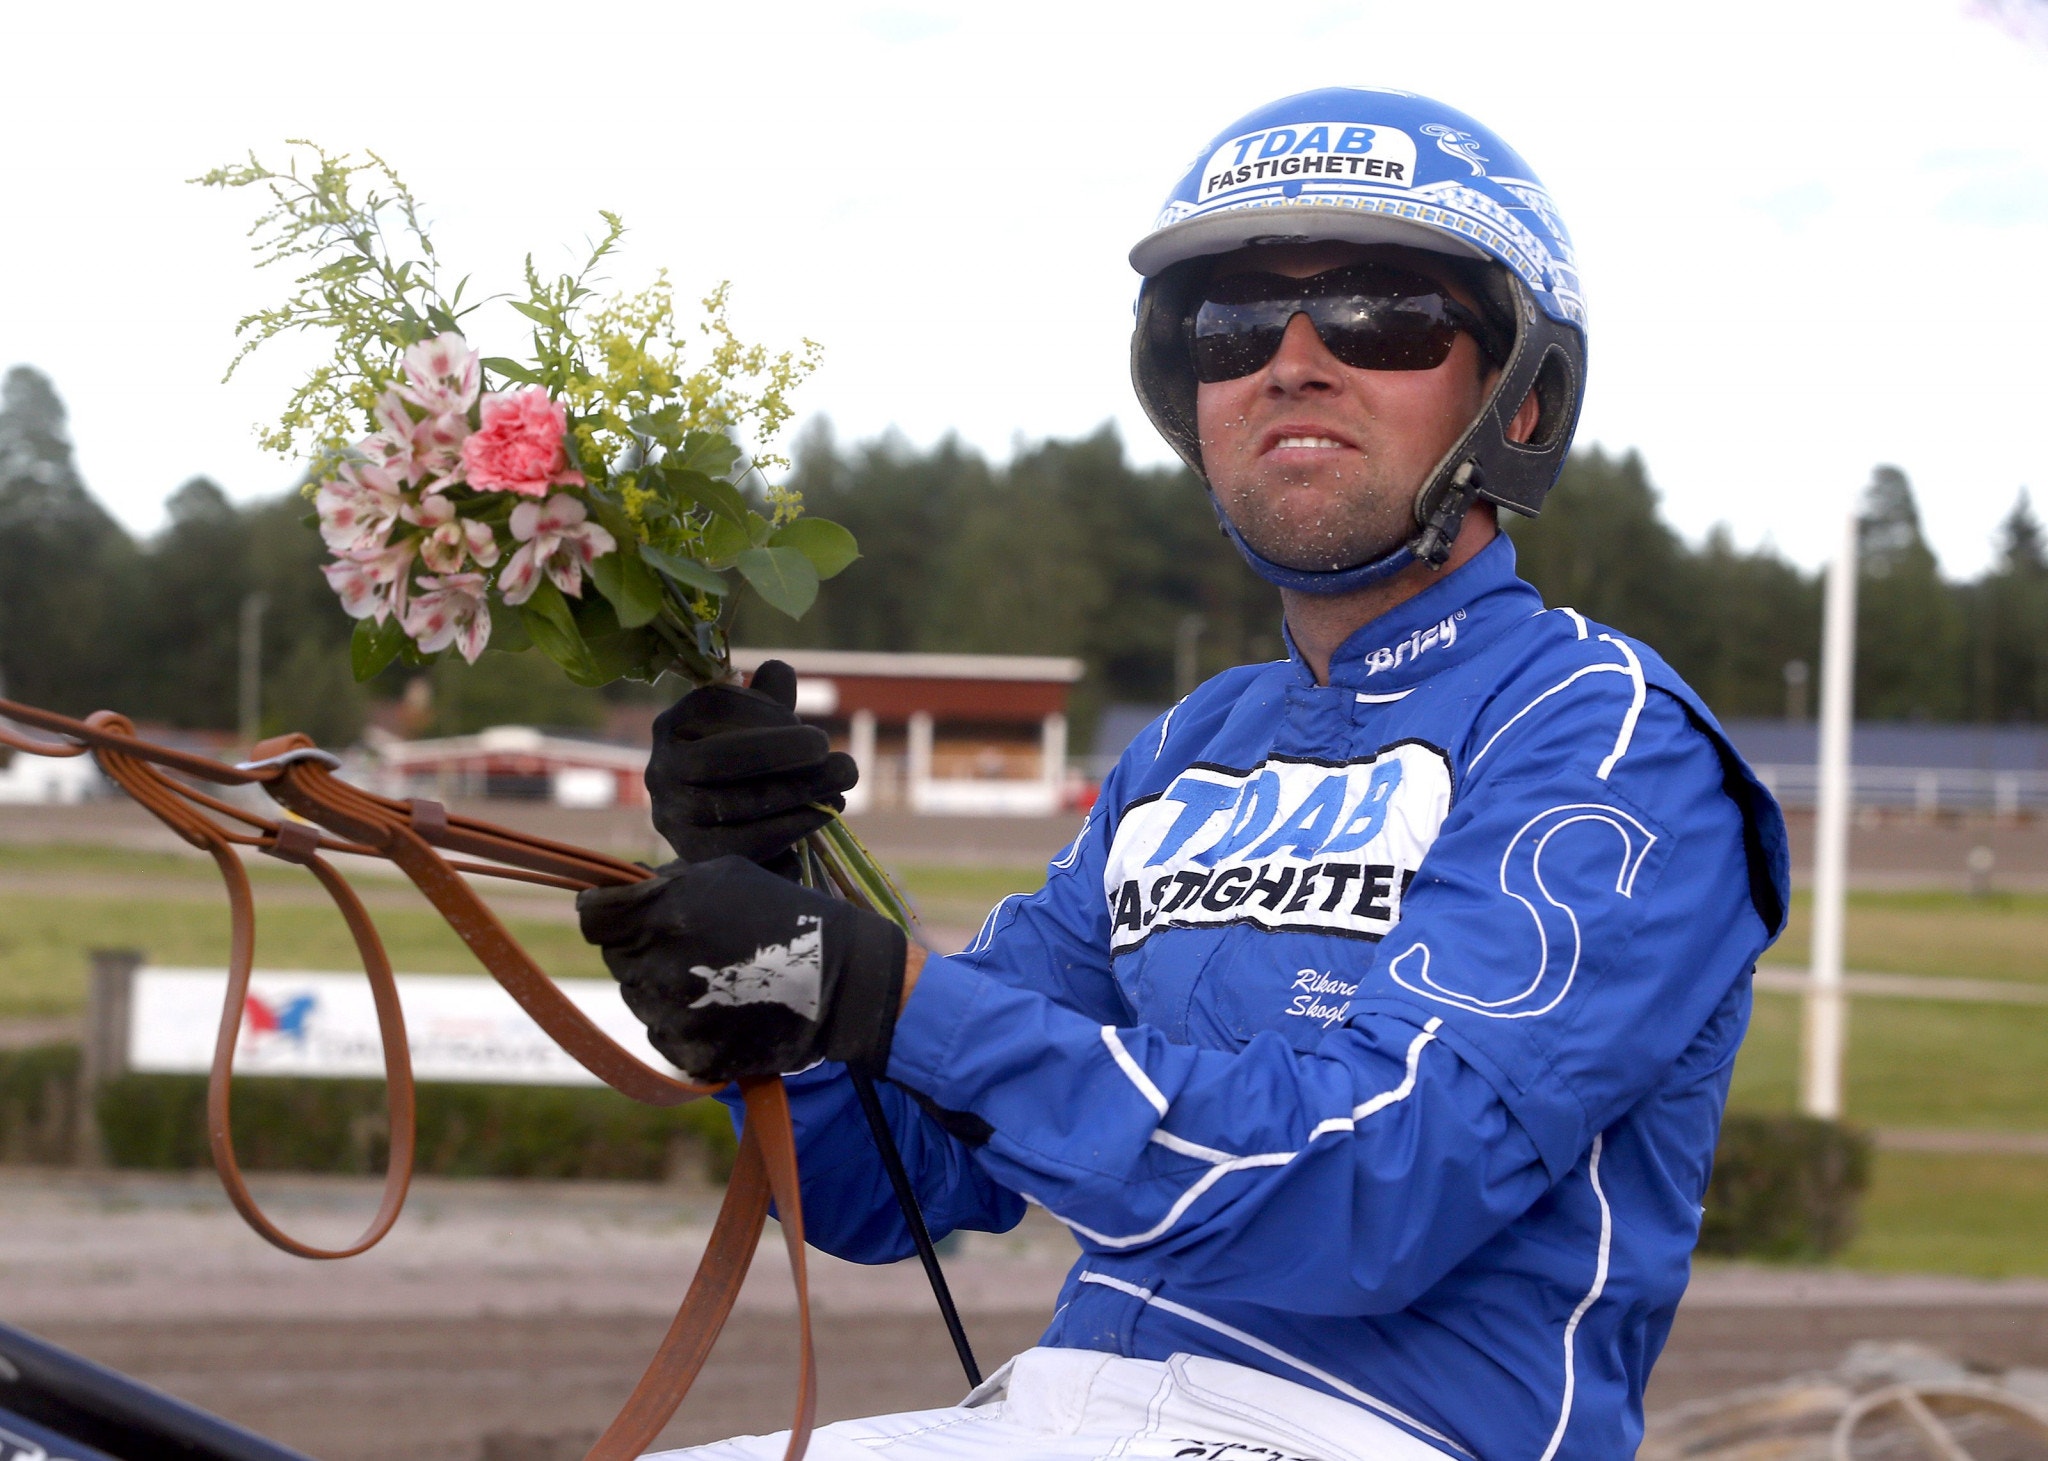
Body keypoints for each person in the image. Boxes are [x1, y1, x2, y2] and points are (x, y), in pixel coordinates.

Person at [579, 86, 1789, 1461]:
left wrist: (889, 992)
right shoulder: (1184, 750)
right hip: (1067, 1406)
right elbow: (887, 1182)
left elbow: (1373, 1190)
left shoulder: (1608, 736)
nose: (1292, 362)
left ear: (1522, 394)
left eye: (1382, 314)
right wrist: (773, 922)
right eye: (1232, 326)